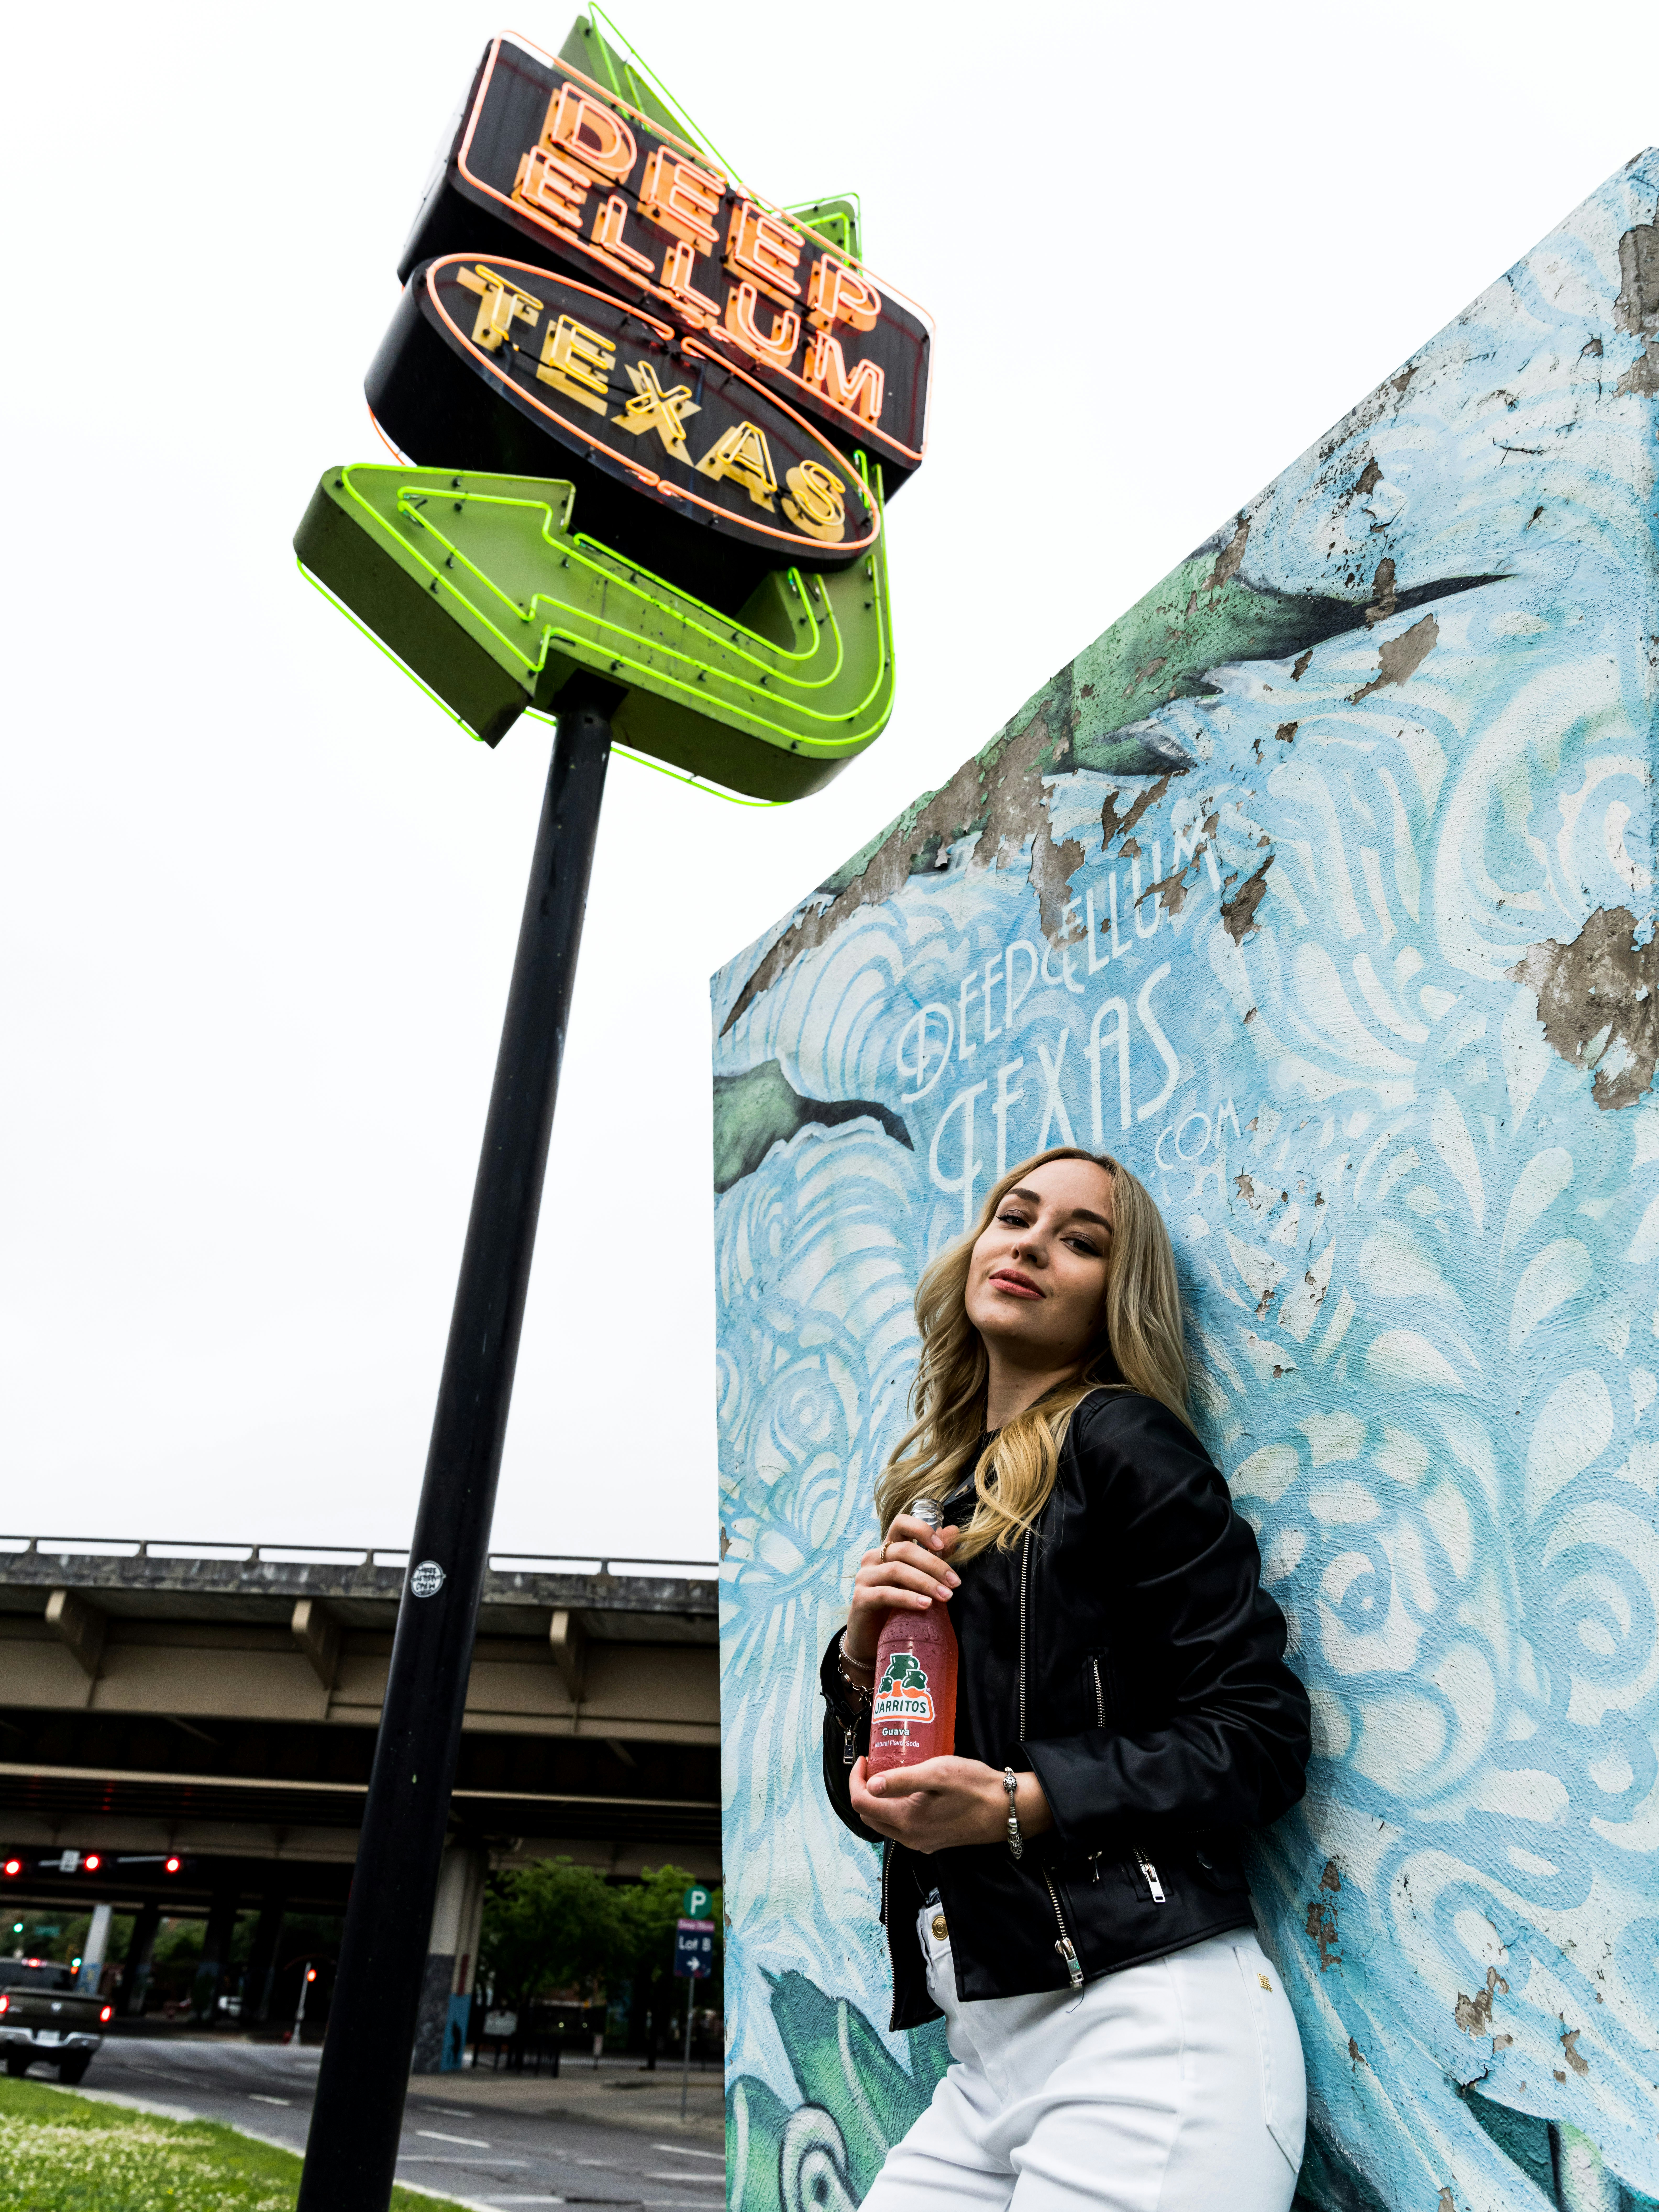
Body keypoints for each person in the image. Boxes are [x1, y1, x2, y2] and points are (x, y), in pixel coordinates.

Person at [819, 1146, 1311, 2211]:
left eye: (1081, 1241)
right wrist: (858, 1658)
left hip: (1148, 2034)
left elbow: (1260, 1737)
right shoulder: (940, 1499)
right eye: (1015, 1217)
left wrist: (1021, 1802)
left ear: (1113, 1298)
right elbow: (881, 1808)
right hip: (987, 2055)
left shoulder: (1123, 1444)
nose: (1034, 1245)